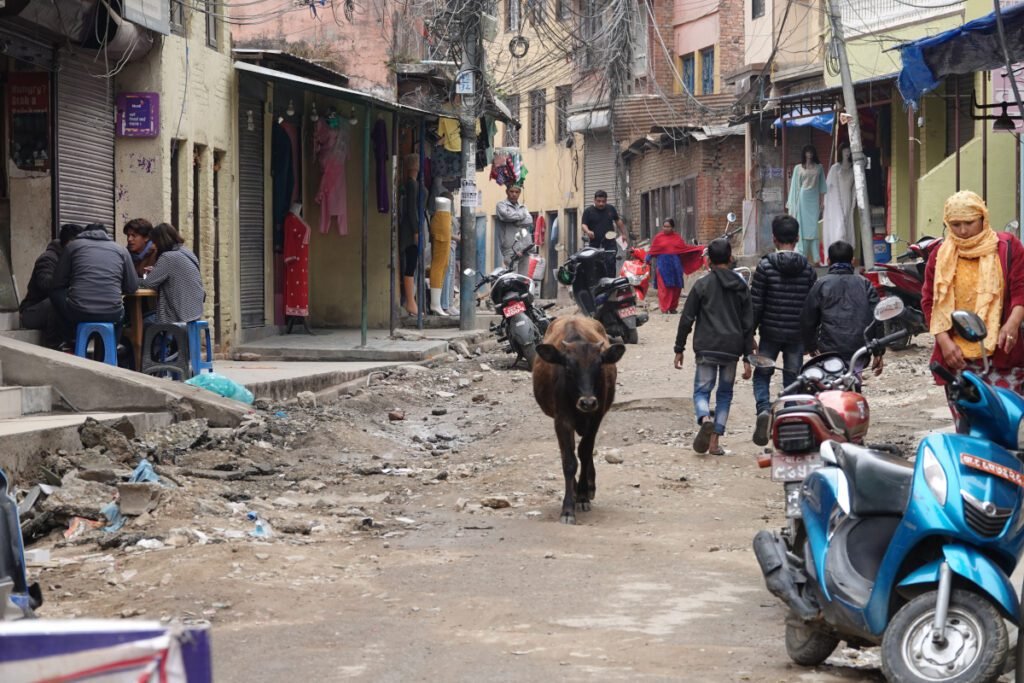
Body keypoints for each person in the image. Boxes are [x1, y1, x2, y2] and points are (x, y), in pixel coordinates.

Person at [922, 190, 1024, 392]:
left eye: (969, 223)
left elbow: (1021, 289)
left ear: (983, 218)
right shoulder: (939, 255)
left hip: (1004, 354)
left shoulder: (1007, 247)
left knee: (1004, 419)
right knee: (967, 422)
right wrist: (944, 342)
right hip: (957, 358)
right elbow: (929, 302)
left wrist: (1012, 323)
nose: (962, 231)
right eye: (955, 224)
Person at [674, 238, 754, 456]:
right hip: (731, 350)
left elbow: (687, 318)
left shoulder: (702, 284)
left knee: (702, 391)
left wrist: (679, 348)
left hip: (706, 348)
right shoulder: (741, 286)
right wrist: (748, 357)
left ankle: (704, 418)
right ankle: (714, 442)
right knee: (725, 394)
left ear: (708, 260)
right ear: (730, 258)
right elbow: (748, 324)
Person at [751, 215, 817, 445]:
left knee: (762, 374)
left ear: (774, 238)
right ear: (797, 238)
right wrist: (813, 340)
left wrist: (749, 334)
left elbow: (756, 303)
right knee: (793, 378)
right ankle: (788, 422)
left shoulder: (765, 266)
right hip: (797, 335)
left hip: (770, 332)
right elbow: (812, 308)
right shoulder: (808, 269)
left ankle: (763, 409)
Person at [801, 240, 883, 373]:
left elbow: (808, 319)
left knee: (832, 386)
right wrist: (878, 351)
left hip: (828, 351)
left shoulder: (820, 285)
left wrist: (810, 346)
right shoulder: (865, 284)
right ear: (853, 261)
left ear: (828, 261)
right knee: (853, 383)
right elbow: (878, 319)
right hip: (859, 349)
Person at [50, 223, 138, 345]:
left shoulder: (73, 246)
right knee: (120, 318)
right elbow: (132, 287)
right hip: (112, 314)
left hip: (78, 312)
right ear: (106, 235)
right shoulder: (121, 250)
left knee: (55, 293)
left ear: (83, 234)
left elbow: (58, 282)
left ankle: (71, 340)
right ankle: (110, 353)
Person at [19, 223, 83, 347]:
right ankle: (54, 346)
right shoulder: (48, 258)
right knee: (57, 299)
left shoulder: (74, 259)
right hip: (31, 313)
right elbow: (45, 283)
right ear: (68, 244)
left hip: (54, 311)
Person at [144, 223, 205, 324]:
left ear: (160, 241)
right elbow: (176, 273)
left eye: (154, 242)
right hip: (194, 313)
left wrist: (133, 280)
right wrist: (156, 270)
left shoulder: (168, 257)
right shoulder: (187, 252)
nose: (153, 246)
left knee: (142, 323)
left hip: (179, 316)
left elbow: (148, 284)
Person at [646, 218, 704, 313]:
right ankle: (664, 308)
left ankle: (672, 308)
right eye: (664, 226)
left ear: (672, 227)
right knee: (664, 288)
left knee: (676, 288)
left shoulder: (677, 238)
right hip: (662, 266)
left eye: (668, 227)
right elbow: (652, 251)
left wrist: (698, 249)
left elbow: (685, 249)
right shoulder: (658, 238)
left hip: (675, 266)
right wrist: (646, 261)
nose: (666, 228)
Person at [787, 144, 827, 265]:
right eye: (807, 152)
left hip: (814, 199)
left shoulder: (819, 168)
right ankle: (802, 254)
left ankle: (816, 258)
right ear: (804, 154)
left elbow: (822, 186)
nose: (809, 155)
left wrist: (822, 201)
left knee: (813, 227)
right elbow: (794, 186)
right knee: (802, 226)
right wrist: (793, 203)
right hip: (802, 199)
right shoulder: (798, 168)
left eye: (811, 152)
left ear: (814, 154)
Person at [399, 153, 423, 315]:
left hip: (413, 227)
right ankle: (410, 301)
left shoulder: (413, 184)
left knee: (412, 263)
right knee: (411, 263)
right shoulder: (412, 185)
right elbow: (411, 209)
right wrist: (416, 230)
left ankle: (411, 300)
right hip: (410, 229)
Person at [582, 190, 627, 276]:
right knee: (595, 265)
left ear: (606, 201)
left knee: (610, 263)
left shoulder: (611, 209)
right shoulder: (588, 211)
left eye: (603, 201)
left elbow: (618, 221)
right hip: (595, 244)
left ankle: (611, 285)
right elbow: (583, 224)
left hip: (610, 244)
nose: (601, 203)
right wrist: (588, 231)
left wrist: (623, 234)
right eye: (599, 201)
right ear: (594, 200)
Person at [822, 144, 856, 250]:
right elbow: (828, 188)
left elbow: (855, 187)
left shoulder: (853, 168)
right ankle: (837, 250)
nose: (847, 152)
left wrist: (854, 201)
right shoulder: (835, 168)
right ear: (841, 152)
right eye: (845, 150)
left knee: (847, 223)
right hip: (836, 200)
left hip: (848, 199)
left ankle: (847, 250)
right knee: (839, 225)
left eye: (848, 150)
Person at [495, 184, 532, 274]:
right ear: (507, 192)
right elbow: (506, 216)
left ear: (519, 193)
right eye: (511, 191)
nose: (514, 194)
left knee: (523, 279)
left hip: (524, 247)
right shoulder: (501, 205)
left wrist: (516, 221)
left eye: (517, 192)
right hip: (510, 248)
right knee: (512, 277)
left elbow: (529, 220)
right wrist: (521, 216)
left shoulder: (523, 207)